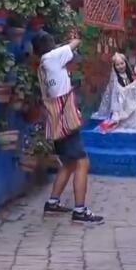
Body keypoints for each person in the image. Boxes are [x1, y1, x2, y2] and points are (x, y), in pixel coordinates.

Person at [33, 32, 104, 224]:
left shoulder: (42, 65)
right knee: (82, 162)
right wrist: (67, 41)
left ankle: (53, 202)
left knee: (69, 162)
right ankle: (80, 210)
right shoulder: (53, 57)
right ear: (51, 44)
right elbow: (76, 42)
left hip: (56, 121)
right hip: (66, 120)